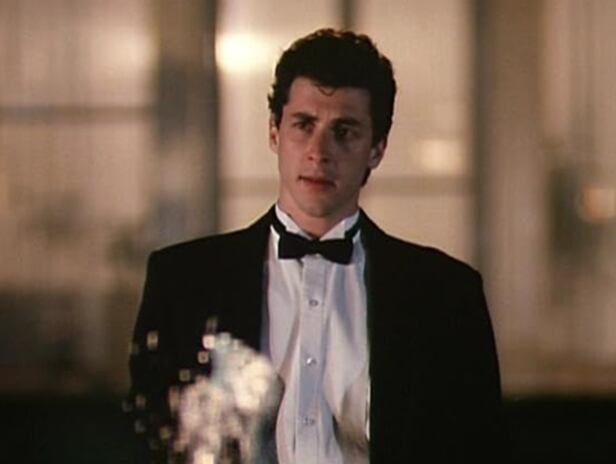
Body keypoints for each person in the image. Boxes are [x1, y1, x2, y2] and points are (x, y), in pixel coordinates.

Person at [125, 28, 505, 463]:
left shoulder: (446, 293)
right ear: (274, 132)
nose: (319, 152)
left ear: (377, 149)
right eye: (304, 125)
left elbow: (479, 451)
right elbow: (153, 444)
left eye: (344, 131)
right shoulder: (183, 280)